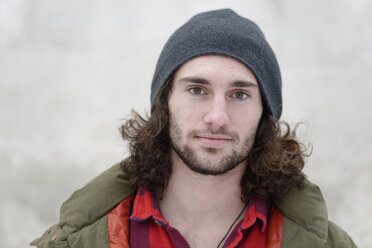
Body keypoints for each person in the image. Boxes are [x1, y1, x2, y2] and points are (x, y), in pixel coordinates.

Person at [31, 9, 357, 248]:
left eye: (239, 94)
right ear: (165, 101)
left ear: (264, 113)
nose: (217, 117)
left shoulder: (327, 244)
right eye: (197, 90)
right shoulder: (76, 240)